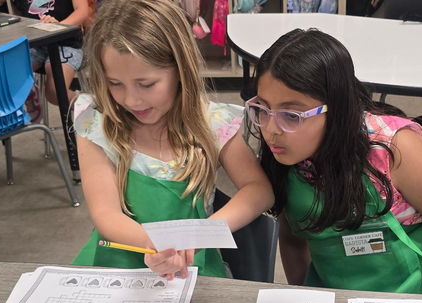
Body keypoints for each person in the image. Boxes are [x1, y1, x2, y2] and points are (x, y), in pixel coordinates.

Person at [246, 29, 422, 296]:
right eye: (263, 108)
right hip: (336, 294)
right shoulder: (282, 152)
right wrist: (304, 302)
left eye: (292, 115)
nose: (271, 129)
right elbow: (293, 239)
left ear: (337, 107)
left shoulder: (394, 149)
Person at [72, 0, 273, 279]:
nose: (131, 99)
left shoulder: (212, 124)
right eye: (115, 83)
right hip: (117, 267)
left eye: (147, 84)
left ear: (180, 70)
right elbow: (106, 214)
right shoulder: (96, 124)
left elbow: (259, 191)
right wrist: (157, 246)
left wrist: (198, 236)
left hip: (194, 270)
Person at [0, 0, 94, 117]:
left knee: (55, 91)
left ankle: (91, 106)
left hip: (66, 43)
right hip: (34, 43)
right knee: (5, 78)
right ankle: (29, 94)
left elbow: (82, 11)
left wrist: (58, 26)